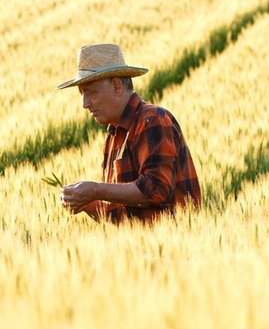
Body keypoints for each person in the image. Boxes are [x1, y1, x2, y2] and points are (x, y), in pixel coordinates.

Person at [56, 43, 201, 222]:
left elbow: (156, 189)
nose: (85, 104)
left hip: (171, 247)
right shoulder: (114, 135)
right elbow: (125, 214)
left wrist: (95, 190)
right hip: (139, 248)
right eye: (82, 95)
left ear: (117, 86)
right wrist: (87, 203)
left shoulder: (152, 120)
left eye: (91, 93)